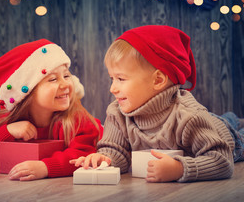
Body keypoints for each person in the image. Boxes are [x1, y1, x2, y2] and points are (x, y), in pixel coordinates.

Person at [70, 25, 244, 183]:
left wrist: (180, 168)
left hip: (226, 137)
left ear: (158, 80)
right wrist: (105, 159)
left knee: (231, 125)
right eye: (112, 78)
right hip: (207, 122)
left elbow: (222, 160)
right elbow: (116, 152)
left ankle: (234, 121)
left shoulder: (189, 116)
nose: (112, 88)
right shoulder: (117, 112)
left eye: (121, 79)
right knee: (228, 117)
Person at [0, 39, 103, 181]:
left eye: (66, 76)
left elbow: (82, 155)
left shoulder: (77, 119)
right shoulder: (7, 123)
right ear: (27, 93)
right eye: (53, 79)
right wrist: (8, 131)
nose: (65, 83)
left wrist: (45, 167)